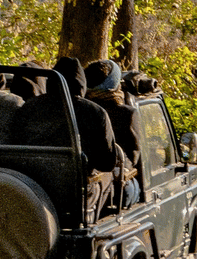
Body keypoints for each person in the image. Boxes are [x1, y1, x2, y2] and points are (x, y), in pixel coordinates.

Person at [13, 56, 124, 181]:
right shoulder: (95, 112)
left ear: (51, 79)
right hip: (75, 187)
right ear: (82, 82)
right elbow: (107, 163)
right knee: (108, 179)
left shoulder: (28, 107)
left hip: (33, 182)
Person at [85, 58, 142, 202]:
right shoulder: (128, 114)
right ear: (115, 83)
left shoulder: (79, 109)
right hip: (113, 183)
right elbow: (134, 157)